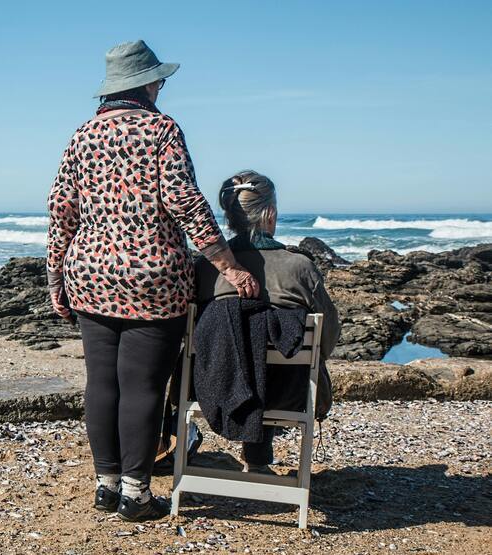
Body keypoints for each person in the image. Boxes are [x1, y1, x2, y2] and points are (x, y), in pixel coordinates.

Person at [46, 40, 260, 521]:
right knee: (142, 386)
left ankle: (105, 485)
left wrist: (55, 276)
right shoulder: (162, 129)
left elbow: (61, 209)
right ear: (145, 83)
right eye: (158, 79)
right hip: (153, 277)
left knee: (101, 383)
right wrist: (228, 264)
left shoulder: (83, 135)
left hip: (91, 272)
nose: (161, 86)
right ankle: (135, 494)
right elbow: (184, 201)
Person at [194, 170, 340, 472]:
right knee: (274, 357)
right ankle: (258, 460)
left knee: (241, 348)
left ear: (230, 216)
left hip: (211, 388)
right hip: (287, 393)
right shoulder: (299, 267)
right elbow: (328, 337)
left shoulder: (205, 269)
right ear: (270, 213)